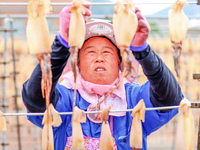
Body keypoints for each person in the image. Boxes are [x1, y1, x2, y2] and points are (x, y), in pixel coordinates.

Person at [22, 3, 183, 150]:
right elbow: (35, 99)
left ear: (120, 62)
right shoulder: (66, 97)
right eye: (90, 52)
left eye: (107, 52)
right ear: (77, 63)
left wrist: (142, 49)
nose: (99, 57)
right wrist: (62, 44)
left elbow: (170, 99)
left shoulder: (133, 98)